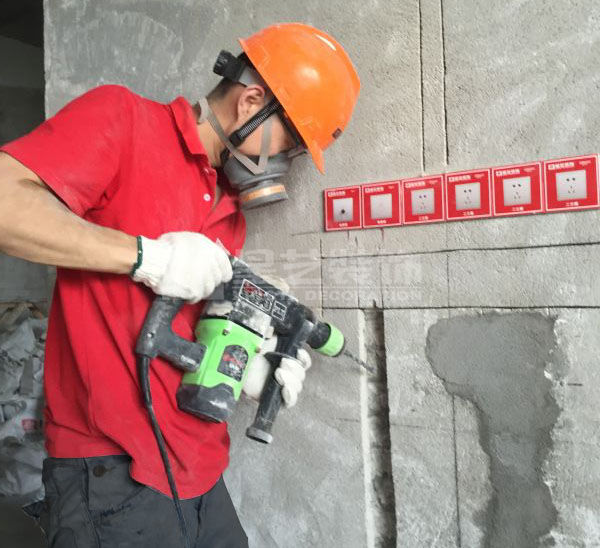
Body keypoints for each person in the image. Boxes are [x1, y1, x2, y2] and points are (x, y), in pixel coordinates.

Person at [0, 22, 360, 547]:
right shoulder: (123, 120)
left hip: (201, 468)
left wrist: (243, 366)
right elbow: (7, 204)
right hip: (110, 470)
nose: (286, 165)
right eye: (292, 145)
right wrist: (147, 257)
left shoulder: (229, 211)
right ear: (251, 102)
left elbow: (185, 329)